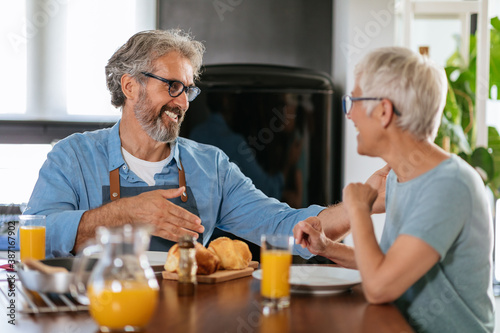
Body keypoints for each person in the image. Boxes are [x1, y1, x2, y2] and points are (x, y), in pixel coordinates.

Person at [24, 29, 387, 259]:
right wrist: (126, 214)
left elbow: (283, 226)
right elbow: (24, 238)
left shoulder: (210, 165)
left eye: (187, 90)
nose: (182, 102)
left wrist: (364, 202)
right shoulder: (72, 157)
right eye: (172, 86)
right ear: (130, 86)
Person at [294, 47, 494, 332]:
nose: (350, 114)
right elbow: (387, 266)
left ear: (384, 111)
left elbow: (379, 288)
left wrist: (359, 210)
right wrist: (328, 248)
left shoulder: (450, 185)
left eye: (355, 101)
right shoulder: (400, 178)